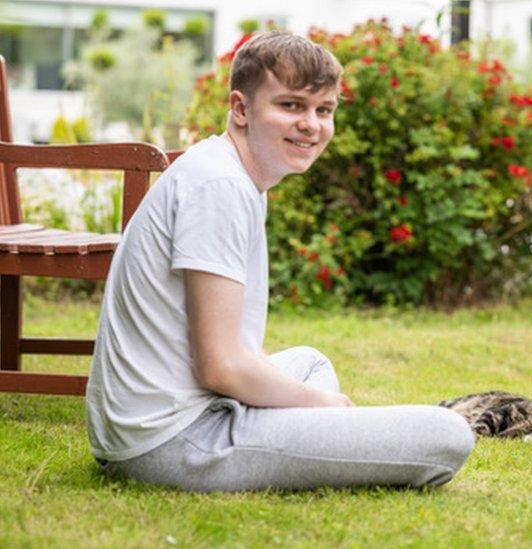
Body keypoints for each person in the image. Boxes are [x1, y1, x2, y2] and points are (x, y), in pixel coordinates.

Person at [85, 31, 474, 492]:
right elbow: (222, 366)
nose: (311, 124)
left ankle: (313, 439)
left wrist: (311, 403)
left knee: (309, 362)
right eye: (290, 106)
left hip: (178, 419)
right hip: (173, 442)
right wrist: (325, 408)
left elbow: (234, 357)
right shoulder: (219, 186)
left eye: (323, 110)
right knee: (448, 434)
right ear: (241, 109)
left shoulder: (237, 177)